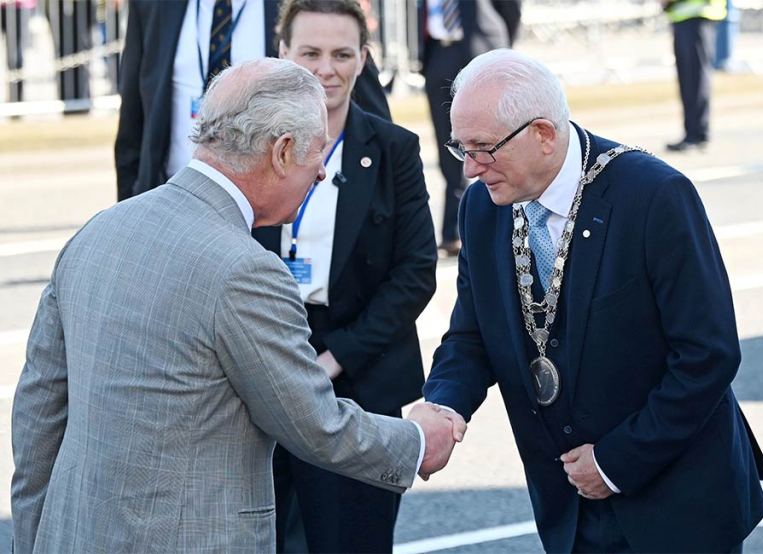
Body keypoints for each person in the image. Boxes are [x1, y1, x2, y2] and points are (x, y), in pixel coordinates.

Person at [11, 58, 465, 554]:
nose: (320, 172)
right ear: (282, 151)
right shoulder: (246, 270)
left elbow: (38, 419)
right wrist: (417, 441)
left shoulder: (99, 230)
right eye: (319, 153)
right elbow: (314, 423)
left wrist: (33, 541)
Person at [422, 49, 763, 552]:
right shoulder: (483, 208)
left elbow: (707, 355)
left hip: (677, 505)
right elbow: (473, 332)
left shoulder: (653, 195)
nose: (470, 170)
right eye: (461, 149)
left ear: (542, 134)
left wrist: (616, 461)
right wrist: (445, 405)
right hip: (571, 510)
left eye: (482, 149)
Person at [251, 1, 437, 552]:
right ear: (283, 54)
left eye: (341, 54)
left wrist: (337, 356)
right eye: (309, 52)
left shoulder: (393, 150)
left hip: (360, 381)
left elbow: (415, 272)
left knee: (352, 539)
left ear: (363, 59)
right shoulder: (248, 150)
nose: (325, 69)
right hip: (260, 367)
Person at [114, 0, 390, 202]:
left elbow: (368, 112)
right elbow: (133, 119)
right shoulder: (153, 6)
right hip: (170, 199)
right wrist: (129, 205)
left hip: (269, 216)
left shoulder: (301, 8)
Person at [419, 0, 521, 256]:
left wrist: (501, 49)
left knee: (494, 145)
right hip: (438, 54)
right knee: (449, 146)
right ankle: (453, 231)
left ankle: (504, 223)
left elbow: (511, 8)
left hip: (482, 51)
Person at [663, 0, 726, 152]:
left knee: (695, 79)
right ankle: (692, 133)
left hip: (697, 16)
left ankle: (697, 135)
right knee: (687, 80)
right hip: (683, 17)